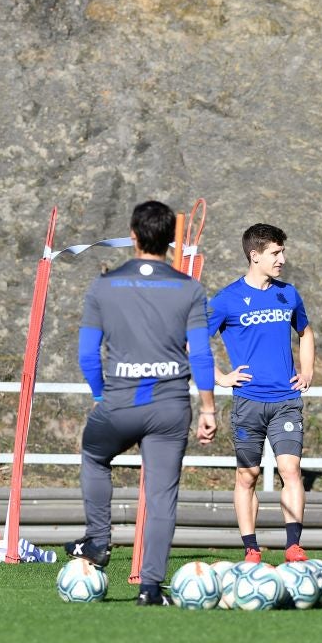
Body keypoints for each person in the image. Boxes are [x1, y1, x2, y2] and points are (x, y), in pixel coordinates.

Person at [65, 200, 218, 607]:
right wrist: (208, 408)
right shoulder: (189, 288)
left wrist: (100, 395)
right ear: (170, 240)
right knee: (162, 496)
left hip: (120, 403)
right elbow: (201, 355)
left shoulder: (103, 286)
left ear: (132, 236)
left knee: (94, 454)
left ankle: (98, 541)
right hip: (170, 408)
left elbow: (87, 355)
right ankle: (150, 588)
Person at [208, 223, 315, 563]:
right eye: (275, 253)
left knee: (291, 471)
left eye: (282, 252)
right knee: (248, 475)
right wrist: (220, 377)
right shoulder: (226, 299)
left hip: (286, 401)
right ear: (254, 256)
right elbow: (191, 342)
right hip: (248, 402)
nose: (282, 259)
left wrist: (307, 370)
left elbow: (306, 333)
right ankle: (251, 549)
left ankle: (293, 546)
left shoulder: (289, 294)